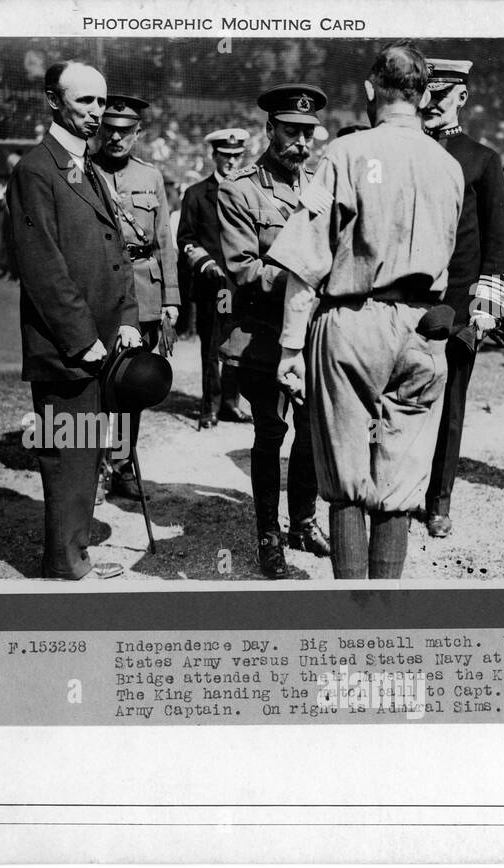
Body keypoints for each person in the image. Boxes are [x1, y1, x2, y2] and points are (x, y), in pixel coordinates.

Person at [267, 42, 463, 579]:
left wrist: (289, 347)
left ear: (371, 91)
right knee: (399, 480)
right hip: (424, 328)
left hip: (355, 321)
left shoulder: (346, 154)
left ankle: (349, 612)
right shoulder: (448, 166)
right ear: (424, 96)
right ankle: (384, 613)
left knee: (346, 471)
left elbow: (306, 264)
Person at [8, 61, 141, 579]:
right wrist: (82, 338)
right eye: (85, 101)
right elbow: (42, 267)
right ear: (53, 101)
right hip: (67, 349)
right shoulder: (36, 170)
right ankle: (65, 564)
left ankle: (74, 554)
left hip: (104, 344)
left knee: (87, 454)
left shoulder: (87, 167)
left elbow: (116, 251)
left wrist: (127, 317)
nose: (97, 112)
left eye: (101, 102)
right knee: (67, 456)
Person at [217, 86, 333, 577]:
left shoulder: (321, 186)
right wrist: (304, 272)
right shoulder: (240, 188)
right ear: (270, 130)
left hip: (312, 336)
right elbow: (243, 270)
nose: (301, 142)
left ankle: (303, 521)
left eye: (308, 133)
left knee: (310, 433)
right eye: (291, 131)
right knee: (270, 433)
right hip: (261, 335)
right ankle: (268, 535)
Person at [419, 58, 504, 539]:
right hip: (404, 304)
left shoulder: (481, 158)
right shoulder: (406, 150)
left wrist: (485, 313)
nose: (431, 104)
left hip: (457, 308)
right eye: (425, 95)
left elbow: (497, 245)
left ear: (462, 98)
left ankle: (438, 501)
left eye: (441, 96)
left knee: (450, 407)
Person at [90, 95, 181, 500]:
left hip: (143, 291)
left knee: (130, 386)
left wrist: (170, 299)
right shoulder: (83, 172)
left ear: (137, 134)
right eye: (109, 128)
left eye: (125, 131)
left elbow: (165, 238)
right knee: (92, 386)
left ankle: (123, 466)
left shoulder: (151, 177)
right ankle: (91, 470)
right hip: (98, 290)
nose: (115, 136)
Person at [177, 128, 251, 429]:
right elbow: (186, 239)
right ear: (214, 156)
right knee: (212, 345)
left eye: (237, 156)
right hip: (215, 285)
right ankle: (210, 407)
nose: (232, 162)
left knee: (240, 345)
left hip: (245, 285)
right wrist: (206, 263)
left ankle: (231, 403)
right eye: (226, 156)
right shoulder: (196, 194)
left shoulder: (249, 192)